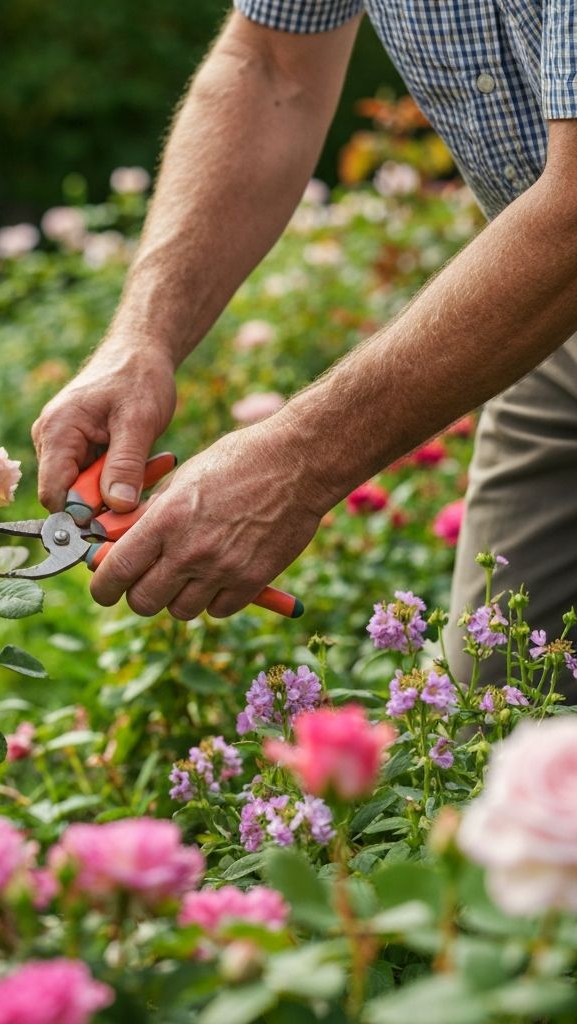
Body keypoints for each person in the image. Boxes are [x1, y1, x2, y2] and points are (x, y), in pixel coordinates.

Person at [31, 2, 577, 681]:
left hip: (559, 270)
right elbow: (269, 66)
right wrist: (142, 337)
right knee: (493, 712)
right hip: (552, 329)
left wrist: (295, 461)